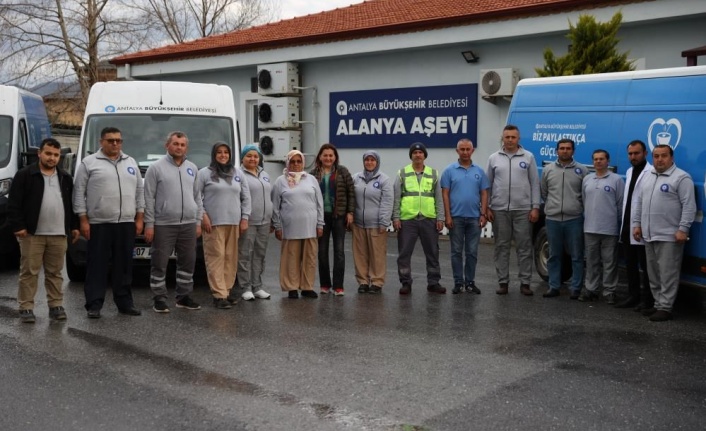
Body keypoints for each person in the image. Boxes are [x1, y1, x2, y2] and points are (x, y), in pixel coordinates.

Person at [73, 127, 144, 318]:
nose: (115, 144)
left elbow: (139, 191)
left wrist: (139, 217)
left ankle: (124, 303)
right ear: (101, 141)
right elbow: (78, 192)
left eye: (118, 140)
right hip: (99, 223)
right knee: (97, 265)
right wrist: (83, 219)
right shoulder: (89, 163)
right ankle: (94, 305)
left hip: (126, 223)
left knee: (124, 266)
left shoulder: (130, 162)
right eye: (111, 140)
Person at [8, 138, 79, 323]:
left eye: (56, 155)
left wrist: (74, 227)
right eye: (48, 153)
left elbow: (71, 205)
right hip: (32, 234)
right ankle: (26, 307)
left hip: (58, 234)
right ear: (39, 153)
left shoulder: (65, 177)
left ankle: (55, 306)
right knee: (29, 272)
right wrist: (19, 227)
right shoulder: (25, 175)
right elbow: (14, 204)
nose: (52, 158)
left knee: (55, 273)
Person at [633, 144, 696, 322]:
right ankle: (657, 304)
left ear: (672, 157)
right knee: (653, 273)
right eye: (656, 156)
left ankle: (666, 308)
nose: (659, 159)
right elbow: (640, 203)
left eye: (664, 156)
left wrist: (683, 229)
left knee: (668, 273)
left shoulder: (681, 178)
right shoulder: (648, 177)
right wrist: (637, 224)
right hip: (649, 234)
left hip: (670, 236)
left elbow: (689, 206)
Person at [144, 131, 203, 313]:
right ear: (167, 145)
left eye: (182, 144)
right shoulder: (155, 168)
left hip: (188, 223)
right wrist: (149, 224)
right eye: (175, 144)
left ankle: (183, 297)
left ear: (186, 147)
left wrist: (198, 221)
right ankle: (159, 298)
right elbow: (148, 198)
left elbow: (197, 197)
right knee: (159, 262)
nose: (179, 147)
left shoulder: (192, 168)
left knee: (188, 262)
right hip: (163, 224)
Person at [485, 125, 540, 296]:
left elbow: (535, 183)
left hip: (523, 210)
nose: (510, 140)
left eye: (513, 137)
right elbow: (487, 185)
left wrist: (535, 207)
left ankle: (525, 282)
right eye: (507, 137)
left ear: (518, 139)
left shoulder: (528, 157)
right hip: (500, 210)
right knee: (502, 247)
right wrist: (486, 207)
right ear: (502, 138)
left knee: (524, 247)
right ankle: (503, 282)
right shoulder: (494, 158)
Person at [197, 142, 251, 309]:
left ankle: (226, 291)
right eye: (219, 152)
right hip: (213, 223)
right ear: (214, 155)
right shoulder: (204, 174)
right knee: (216, 257)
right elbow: (196, 197)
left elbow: (246, 197)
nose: (223, 155)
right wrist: (203, 216)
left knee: (230, 258)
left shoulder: (237, 173)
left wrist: (244, 218)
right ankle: (218, 295)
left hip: (234, 222)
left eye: (226, 152)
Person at [392, 142, 445, 295]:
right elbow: (397, 197)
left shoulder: (433, 173)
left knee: (433, 252)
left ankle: (434, 282)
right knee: (404, 254)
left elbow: (438, 198)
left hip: (429, 219)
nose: (417, 155)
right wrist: (396, 217)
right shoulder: (402, 173)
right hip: (408, 220)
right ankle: (405, 282)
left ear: (424, 155)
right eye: (414, 153)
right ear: (411, 156)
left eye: (420, 152)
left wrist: (440, 218)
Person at [272, 150, 324, 298]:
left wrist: (320, 224)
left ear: (303, 163)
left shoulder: (311, 179)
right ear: (287, 163)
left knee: (310, 258)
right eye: (293, 161)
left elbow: (319, 203)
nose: (296, 164)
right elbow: (275, 206)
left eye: (299, 161)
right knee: (291, 258)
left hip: (310, 226)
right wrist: (277, 226)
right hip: (290, 227)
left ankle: (307, 287)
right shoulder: (280, 181)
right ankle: (292, 287)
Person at [441, 138, 489, 294]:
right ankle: (458, 282)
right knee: (456, 251)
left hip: (474, 218)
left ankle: (470, 282)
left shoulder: (479, 171)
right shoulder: (449, 171)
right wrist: (447, 216)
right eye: (462, 149)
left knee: (472, 252)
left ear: (472, 150)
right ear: (457, 151)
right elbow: (445, 194)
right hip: (456, 218)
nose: (465, 152)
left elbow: (484, 193)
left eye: (468, 149)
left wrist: (483, 213)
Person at [541, 138, 588, 299]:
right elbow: (544, 192)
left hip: (574, 219)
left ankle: (576, 287)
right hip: (553, 219)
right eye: (561, 148)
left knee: (576, 255)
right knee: (554, 255)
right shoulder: (548, 170)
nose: (565, 151)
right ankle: (554, 286)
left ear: (573, 151)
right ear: (556, 151)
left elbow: (585, 194)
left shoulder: (581, 170)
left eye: (568, 148)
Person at [579, 149, 624, 303]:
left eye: (601, 159)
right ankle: (591, 289)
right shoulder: (587, 179)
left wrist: (617, 224)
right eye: (596, 159)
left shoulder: (616, 180)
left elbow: (620, 205)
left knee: (609, 262)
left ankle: (609, 291)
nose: (598, 162)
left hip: (609, 229)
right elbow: (584, 201)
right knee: (591, 261)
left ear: (608, 161)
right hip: (590, 227)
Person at [309, 143, 355, 296]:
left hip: (339, 216)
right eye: (325, 155)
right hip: (320, 218)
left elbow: (351, 193)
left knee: (339, 251)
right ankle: (325, 284)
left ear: (335, 157)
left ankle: (338, 286)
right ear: (320, 157)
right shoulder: (313, 174)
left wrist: (350, 212)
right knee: (322, 252)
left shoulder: (343, 172)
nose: (328, 158)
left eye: (331, 155)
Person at [615, 140, 654, 310]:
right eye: (630, 154)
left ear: (645, 153)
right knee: (630, 264)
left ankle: (647, 300)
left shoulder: (652, 172)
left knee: (646, 267)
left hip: (642, 226)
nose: (633, 157)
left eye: (637, 153)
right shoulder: (630, 171)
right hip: (627, 225)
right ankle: (633, 296)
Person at [235, 144, 273, 302]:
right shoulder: (238, 174)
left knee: (259, 254)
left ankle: (257, 286)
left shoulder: (265, 174)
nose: (253, 159)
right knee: (244, 254)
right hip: (248, 221)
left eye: (255, 156)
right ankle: (246, 287)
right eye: (249, 156)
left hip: (264, 221)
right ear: (243, 158)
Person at [351, 150, 393, 294]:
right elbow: (351, 198)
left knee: (377, 254)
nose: (369, 163)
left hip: (376, 224)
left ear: (377, 162)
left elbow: (387, 202)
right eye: (367, 160)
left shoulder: (384, 179)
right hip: (358, 224)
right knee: (360, 254)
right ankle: (363, 281)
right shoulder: (356, 178)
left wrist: (384, 222)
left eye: (372, 160)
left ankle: (376, 282)